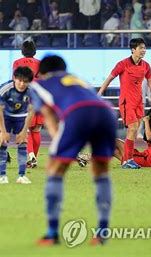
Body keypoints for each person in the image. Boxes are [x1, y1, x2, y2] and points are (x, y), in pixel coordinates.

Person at [30, 56, 116, 245]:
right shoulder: (78, 79)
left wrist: (58, 148)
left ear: (42, 73)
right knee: (101, 171)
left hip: (77, 114)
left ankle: (52, 234)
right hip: (107, 113)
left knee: (54, 168)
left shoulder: (38, 85)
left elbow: (50, 119)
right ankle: (102, 232)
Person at [98, 38, 151, 169]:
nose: (144, 50)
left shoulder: (146, 65)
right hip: (127, 102)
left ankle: (127, 159)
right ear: (133, 50)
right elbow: (109, 79)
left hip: (139, 102)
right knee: (132, 128)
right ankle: (127, 160)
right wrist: (99, 94)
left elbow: (150, 81)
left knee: (134, 129)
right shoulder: (123, 64)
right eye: (141, 48)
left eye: (144, 48)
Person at [0, 66, 35, 184]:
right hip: (5, 117)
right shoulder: (4, 89)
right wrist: (3, 132)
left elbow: (31, 111)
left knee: (23, 143)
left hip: (20, 117)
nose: (22, 84)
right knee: (2, 143)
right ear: (14, 78)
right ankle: (3, 176)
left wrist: (24, 131)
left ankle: (21, 176)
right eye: (20, 80)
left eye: (25, 81)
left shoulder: (32, 92)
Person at [12, 40, 42, 169]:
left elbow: (16, 81)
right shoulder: (40, 64)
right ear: (34, 51)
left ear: (22, 51)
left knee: (25, 129)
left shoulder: (17, 63)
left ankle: (30, 157)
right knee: (36, 130)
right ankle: (33, 157)